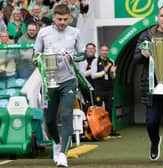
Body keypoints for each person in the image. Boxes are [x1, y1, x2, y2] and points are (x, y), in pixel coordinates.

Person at [33, 4, 84, 167]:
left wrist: (72, 58)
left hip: (68, 80)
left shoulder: (75, 32)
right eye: (59, 19)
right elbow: (35, 55)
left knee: (67, 115)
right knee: (48, 120)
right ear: (53, 17)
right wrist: (37, 60)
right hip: (49, 82)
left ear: (70, 17)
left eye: (65, 19)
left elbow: (82, 54)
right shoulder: (43, 32)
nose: (62, 22)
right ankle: (56, 143)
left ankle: (63, 154)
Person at [134, 5, 163, 166]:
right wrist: (142, 54)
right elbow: (135, 58)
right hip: (151, 86)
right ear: (158, 17)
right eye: (162, 16)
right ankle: (155, 141)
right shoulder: (146, 35)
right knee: (151, 122)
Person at [91, 44, 120, 137]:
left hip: (109, 89)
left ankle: (110, 130)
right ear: (100, 51)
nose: (104, 52)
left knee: (109, 109)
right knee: (99, 109)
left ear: (108, 51)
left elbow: (113, 77)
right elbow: (93, 75)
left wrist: (112, 72)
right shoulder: (95, 61)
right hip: (99, 89)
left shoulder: (111, 61)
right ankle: (99, 130)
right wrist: (104, 71)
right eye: (103, 50)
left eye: (106, 50)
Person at [77, 42, 96, 111]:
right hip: (84, 88)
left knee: (95, 106)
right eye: (89, 48)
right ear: (86, 50)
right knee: (85, 106)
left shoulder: (97, 60)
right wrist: (93, 70)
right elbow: (82, 74)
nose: (90, 50)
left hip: (95, 88)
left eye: (92, 48)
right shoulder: (82, 61)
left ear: (95, 50)